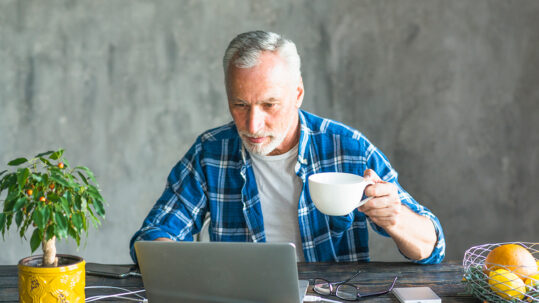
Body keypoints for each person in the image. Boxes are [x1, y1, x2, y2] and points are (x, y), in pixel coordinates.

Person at [130, 30, 445, 264]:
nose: (252, 126)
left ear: (297, 94)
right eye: (240, 105)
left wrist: (395, 218)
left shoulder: (348, 148)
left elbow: (434, 247)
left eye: (269, 104)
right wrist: (170, 254)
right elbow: (151, 238)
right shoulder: (210, 152)